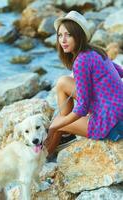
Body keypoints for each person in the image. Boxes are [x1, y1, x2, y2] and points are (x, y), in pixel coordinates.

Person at [45, 10, 123, 156]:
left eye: (69, 35)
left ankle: (43, 160)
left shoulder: (81, 61)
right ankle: (68, 133)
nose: (63, 40)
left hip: (110, 123)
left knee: (58, 124)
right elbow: (120, 72)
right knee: (62, 82)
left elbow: (82, 107)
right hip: (118, 111)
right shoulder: (97, 51)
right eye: (60, 35)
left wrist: (55, 125)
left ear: (79, 35)